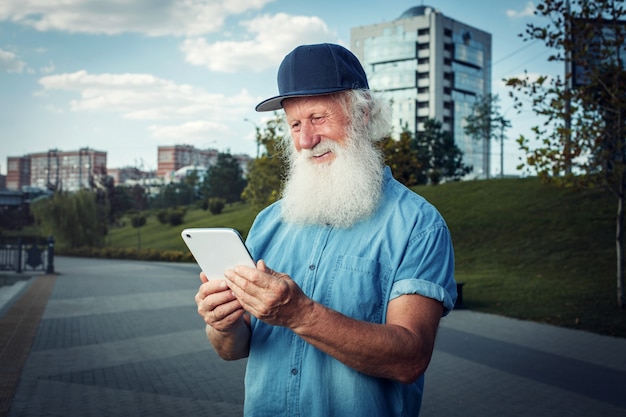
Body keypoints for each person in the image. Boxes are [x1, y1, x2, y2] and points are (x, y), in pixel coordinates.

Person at [195, 43, 457, 417]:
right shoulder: (268, 222)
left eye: (317, 118)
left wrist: (300, 314)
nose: (305, 140)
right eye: (295, 124)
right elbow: (233, 349)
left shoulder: (418, 225)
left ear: (363, 114)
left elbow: (410, 359)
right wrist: (222, 324)